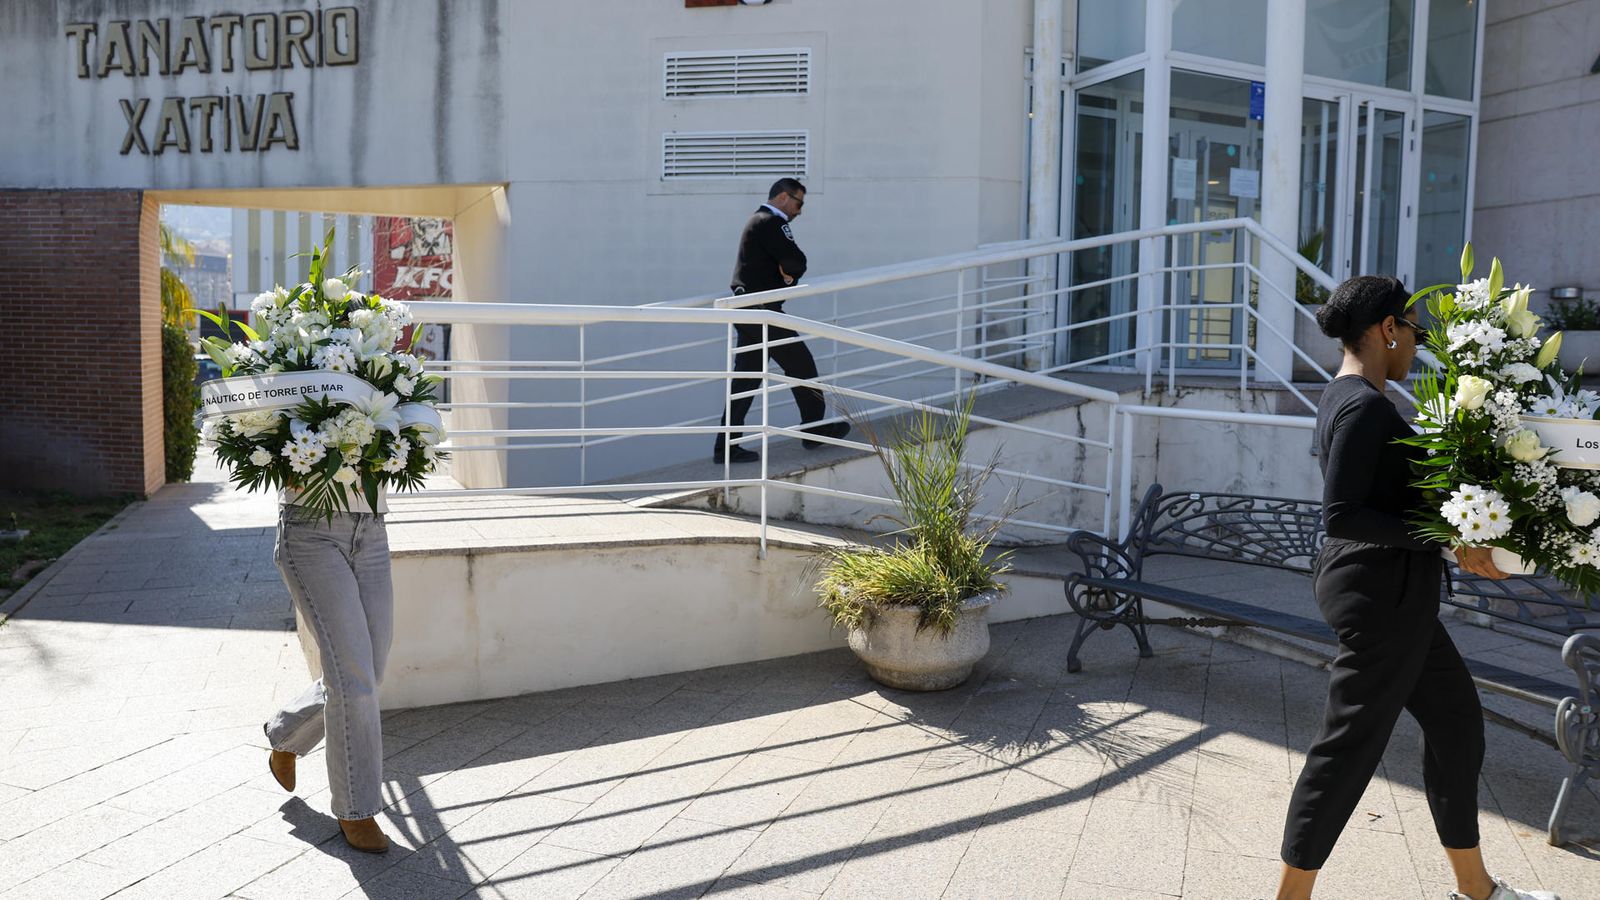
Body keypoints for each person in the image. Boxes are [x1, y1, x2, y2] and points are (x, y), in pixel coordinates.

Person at [1275, 275, 1557, 900]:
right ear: (1386, 329)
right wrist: (1447, 538)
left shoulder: (1350, 395)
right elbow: (1342, 511)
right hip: (1380, 592)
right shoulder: (1365, 404)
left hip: (1392, 590)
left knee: (1457, 724)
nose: (1414, 349)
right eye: (1410, 334)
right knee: (1348, 747)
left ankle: (1476, 889)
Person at [262, 487, 395, 854]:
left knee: (369, 672)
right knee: (354, 680)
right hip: (310, 526)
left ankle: (286, 733)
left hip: (371, 525)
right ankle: (356, 811)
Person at [713, 177, 850, 464]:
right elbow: (796, 260)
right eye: (799, 203)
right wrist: (790, 273)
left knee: (747, 378)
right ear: (784, 198)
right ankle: (813, 429)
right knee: (801, 364)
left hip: (748, 308)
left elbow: (788, 265)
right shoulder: (771, 222)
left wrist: (788, 273)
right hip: (760, 311)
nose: (800, 211)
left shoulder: (758, 221)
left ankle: (725, 445)